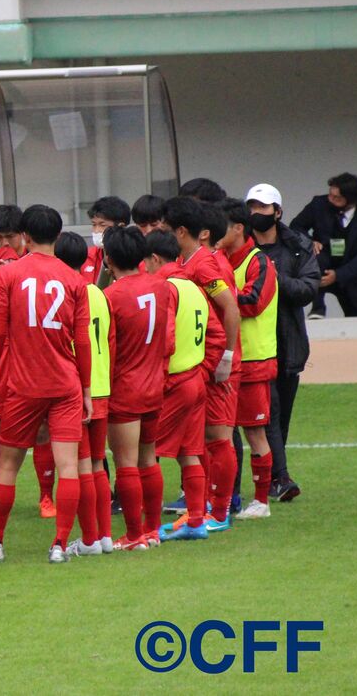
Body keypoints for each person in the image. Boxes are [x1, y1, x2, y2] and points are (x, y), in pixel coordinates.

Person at [0, 204, 91, 565]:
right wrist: (87, 390)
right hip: (65, 384)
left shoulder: (10, 275)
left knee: (9, 464)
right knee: (68, 466)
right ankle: (59, 545)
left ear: (24, 236)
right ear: (58, 236)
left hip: (23, 385)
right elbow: (83, 341)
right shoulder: (74, 279)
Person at [164, 196, 241, 532]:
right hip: (205, 362)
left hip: (216, 364)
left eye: (167, 229)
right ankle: (207, 506)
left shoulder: (202, 265)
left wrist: (225, 357)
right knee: (205, 438)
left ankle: (220, 512)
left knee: (219, 436)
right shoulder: (193, 262)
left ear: (182, 231)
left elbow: (231, 308)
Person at [246, 183, 319, 502]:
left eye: (262, 208)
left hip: (288, 342)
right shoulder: (242, 246)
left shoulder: (298, 245)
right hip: (257, 346)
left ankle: (277, 474)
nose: (255, 214)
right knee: (270, 411)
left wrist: (275, 278)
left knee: (281, 415)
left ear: (278, 212)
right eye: (252, 207)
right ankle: (280, 477)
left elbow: (309, 289)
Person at [102, 226, 172, 551]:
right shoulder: (162, 287)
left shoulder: (111, 297)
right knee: (148, 460)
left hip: (125, 389)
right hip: (154, 384)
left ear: (108, 259)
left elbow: (109, 348)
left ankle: (133, 536)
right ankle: (153, 530)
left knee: (125, 464)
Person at [146, 229, 218, 543]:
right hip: (195, 381)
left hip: (173, 383)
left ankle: (146, 525)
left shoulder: (166, 288)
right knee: (189, 452)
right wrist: (204, 371)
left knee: (147, 454)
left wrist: (156, 376)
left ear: (153, 259)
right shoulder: (193, 288)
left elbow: (166, 339)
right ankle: (197, 520)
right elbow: (216, 335)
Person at [217, 199, 279, 521]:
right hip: (228, 360)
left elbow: (253, 303)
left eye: (220, 227)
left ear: (238, 228)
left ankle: (261, 501)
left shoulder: (260, 262)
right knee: (222, 434)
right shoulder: (222, 260)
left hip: (253, 361)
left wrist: (219, 295)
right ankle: (227, 499)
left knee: (255, 433)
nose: (214, 234)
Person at [54, 232, 114, 557]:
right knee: (98, 463)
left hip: (78, 387)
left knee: (81, 467)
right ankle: (104, 536)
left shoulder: (64, 293)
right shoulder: (99, 293)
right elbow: (109, 339)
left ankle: (89, 539)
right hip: (102, 385)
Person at [291, 172, 357, 318]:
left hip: (353, 274)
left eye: (337, 198)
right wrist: (309, 242)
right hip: (323, 263)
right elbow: (296, 226)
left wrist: (338, 275)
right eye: (330, 195)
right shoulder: (318, 204)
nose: (330, 199)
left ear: (351, 199)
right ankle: (318, 308)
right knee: (315, 258)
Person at [85, 196, 132, 285]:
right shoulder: (86, 256)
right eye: (94, 224)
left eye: (102, 225)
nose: (96, 230)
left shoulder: (135, 257)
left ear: (120, 226)